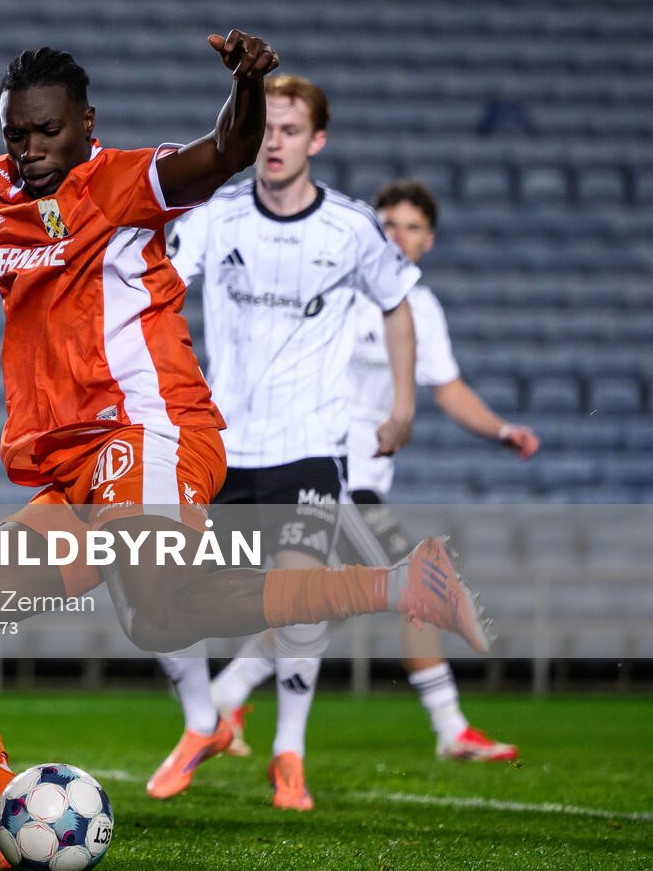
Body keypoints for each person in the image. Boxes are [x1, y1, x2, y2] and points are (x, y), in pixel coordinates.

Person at [0, 36, 490, 870]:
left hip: (152, 430)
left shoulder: (124, 182)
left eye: (47, 131)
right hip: (75, 465)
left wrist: (248, 86)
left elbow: (224, 152)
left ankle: (399, 581)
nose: (30, 150)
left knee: (159, 606)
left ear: (87, 124)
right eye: (16, 133)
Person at [149, 75, 422, 811]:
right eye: (264, 127)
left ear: (317, 140)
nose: (274, 142)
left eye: (290, 130)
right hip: (218, 442)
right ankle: (204, 723)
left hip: (310, 443)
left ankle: (288, 752)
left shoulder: (353, 228)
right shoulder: (219, 214)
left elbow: (398, 307)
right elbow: (162, 285)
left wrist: (401, 403)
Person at [212, 179, 536, 764]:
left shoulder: (421, 308)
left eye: (411, 228)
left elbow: (449, 385)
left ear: (428, 241)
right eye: (388, 225)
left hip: (365, 476)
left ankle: (227, 695)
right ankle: (450, 726)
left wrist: (498, 429)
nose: (398, 237)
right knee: (410, 582)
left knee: (320, 604)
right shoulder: (335, 284)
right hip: (328, 467)